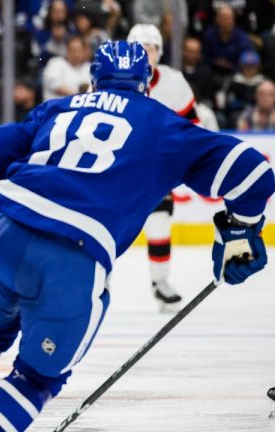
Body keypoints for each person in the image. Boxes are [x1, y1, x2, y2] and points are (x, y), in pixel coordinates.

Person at [0, 40, 273, 432]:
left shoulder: (59, 109)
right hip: (70, 255)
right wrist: (240, 230)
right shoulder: (165, 124)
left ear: (93, 81)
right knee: (34, 378)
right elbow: (255, 172)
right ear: (148, 85)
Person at [127, 23, 201, 312]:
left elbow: (191, 124)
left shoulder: (173, 80)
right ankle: (98, 280)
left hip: (154, 169)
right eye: (141, 47)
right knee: (107, 227)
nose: (147, 53)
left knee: (159, 224)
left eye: (152, 47)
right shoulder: (111, 76)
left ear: (160, 51)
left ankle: (160, 284)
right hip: (115, 167)